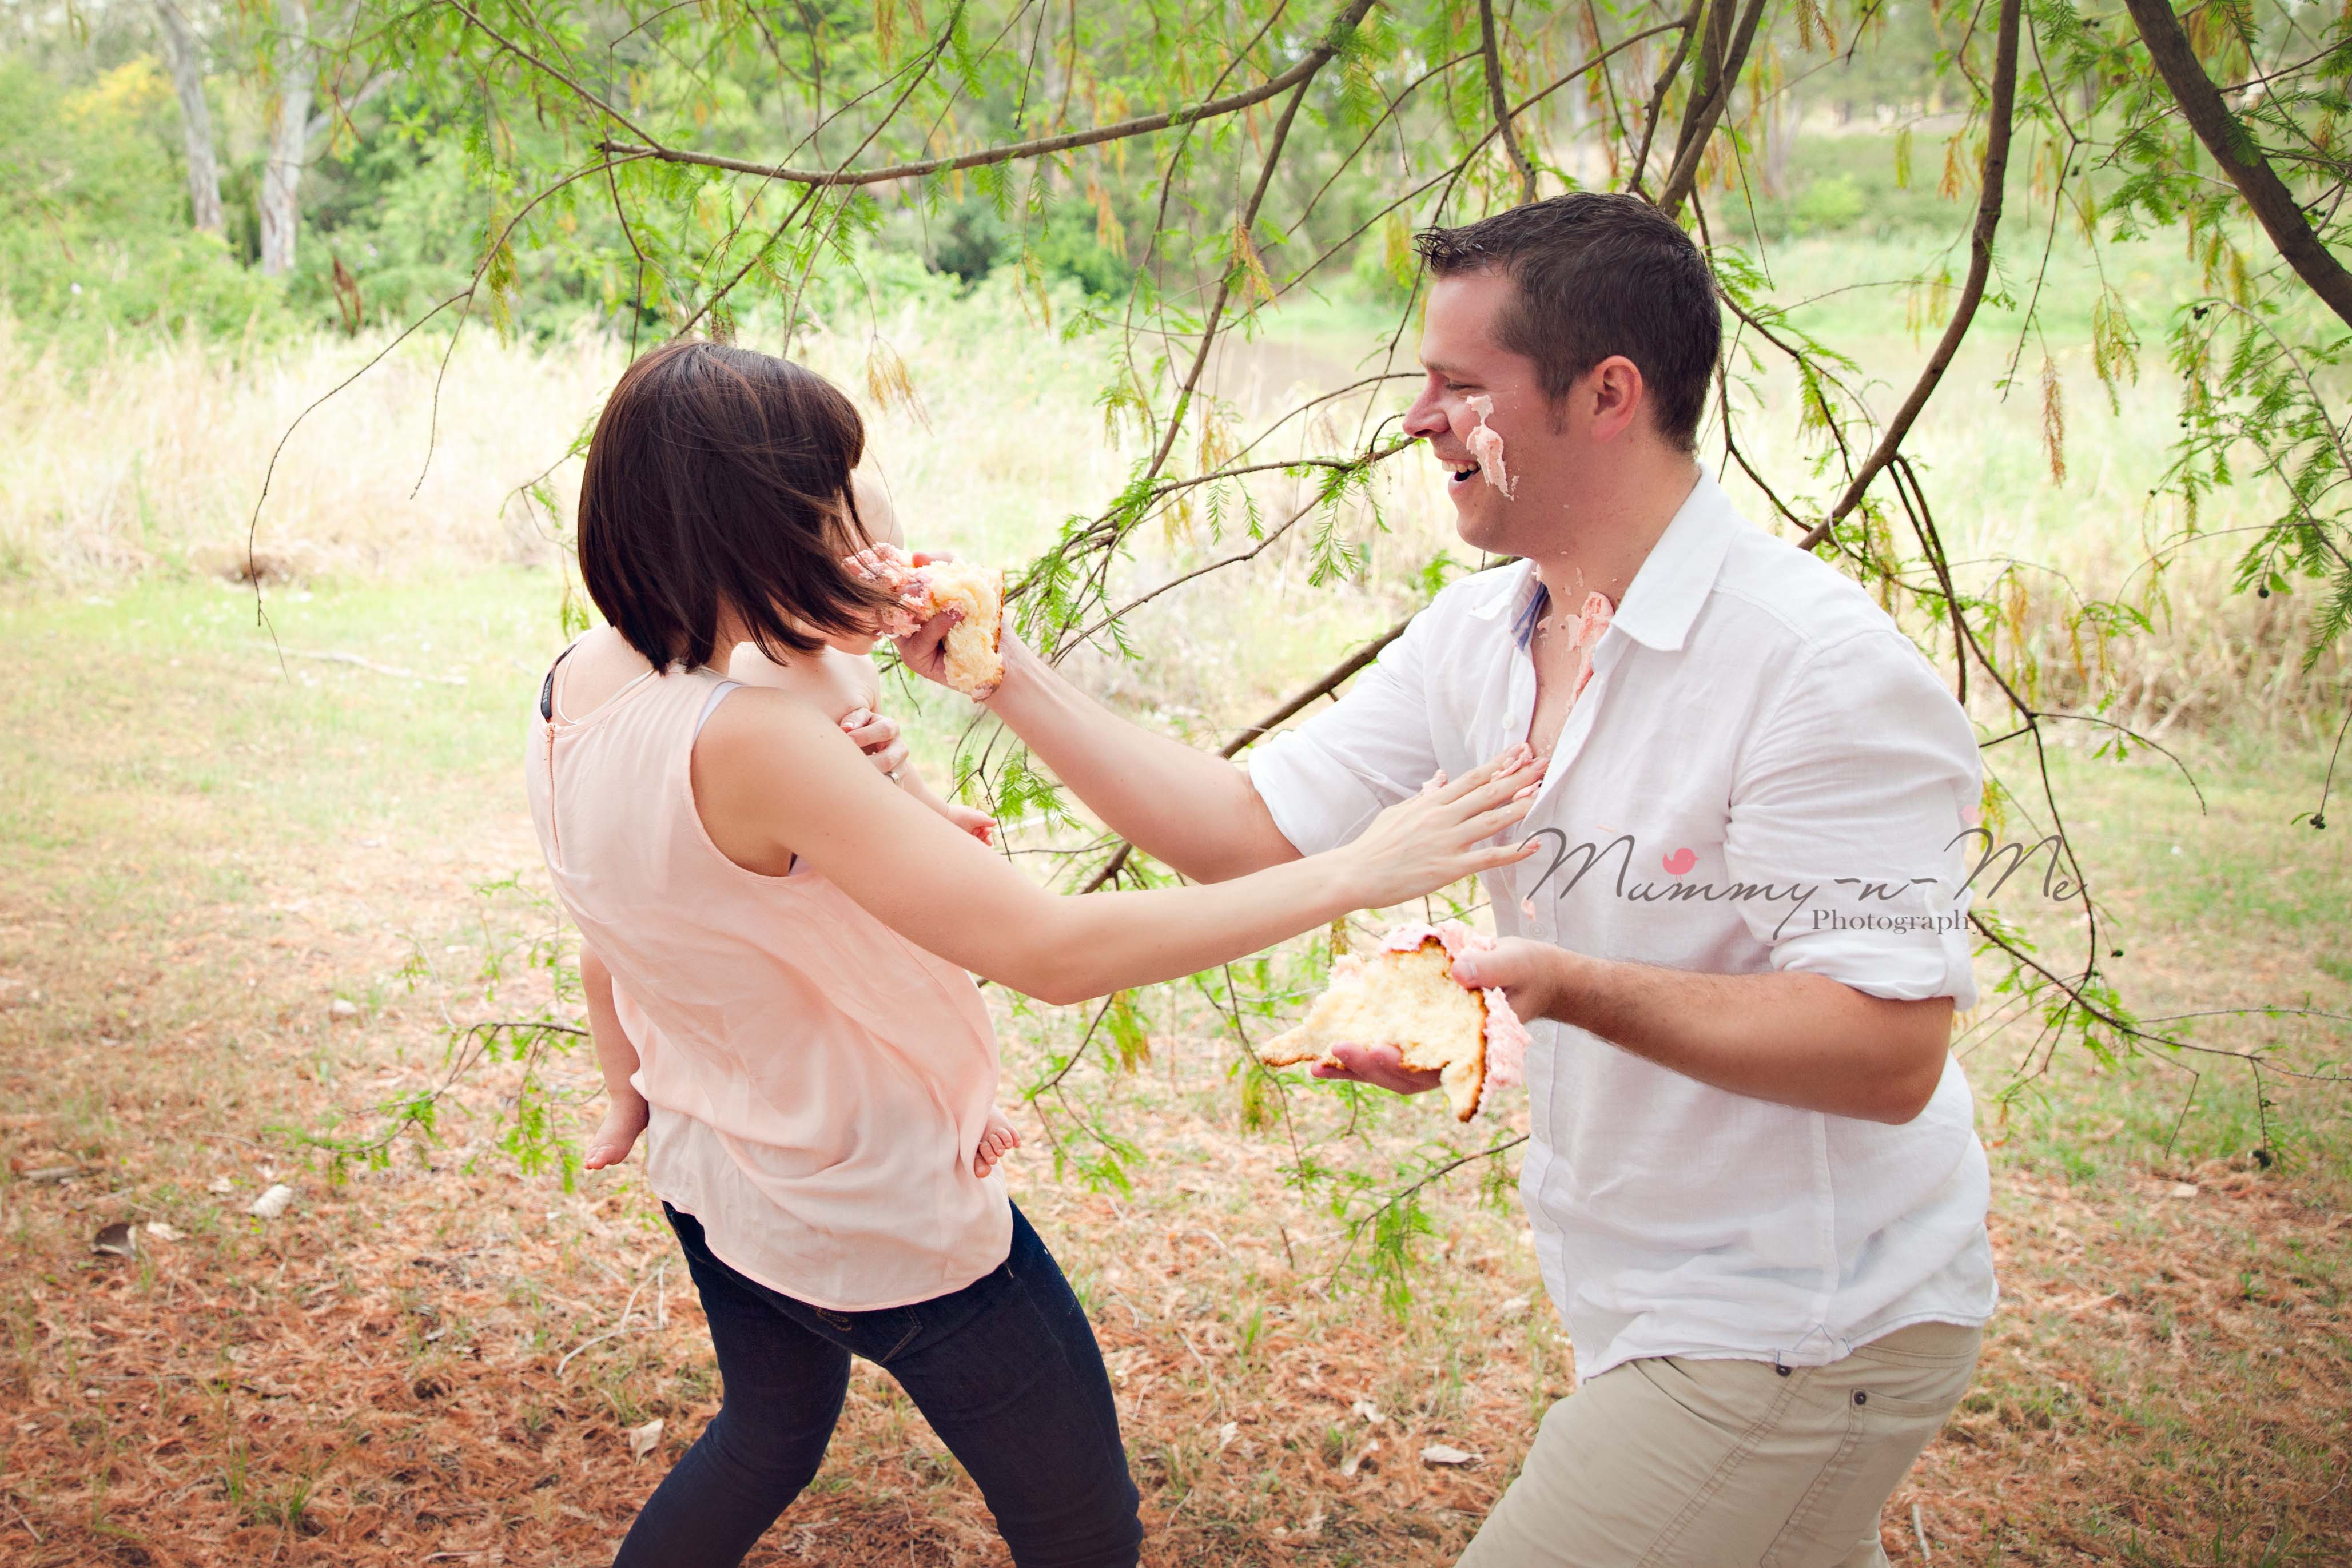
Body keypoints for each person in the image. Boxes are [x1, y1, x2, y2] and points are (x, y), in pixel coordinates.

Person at [897, 193, 1996, 1567]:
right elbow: (1242, 828)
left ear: (1605, 394)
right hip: (1641, 1302)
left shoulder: (1812, 671)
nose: (1416, 419)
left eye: (1458, 386)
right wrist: (1004, 677)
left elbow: (1887, 1048)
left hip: (1799, 1326)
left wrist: (1562, 988)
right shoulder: (1481, 630)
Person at [526, 337, 1545, 1568]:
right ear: (771, 520)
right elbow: (1051, 950)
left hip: (716, 1169)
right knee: (1082, 1532)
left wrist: (624, 1092)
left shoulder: (586, 683)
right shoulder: (753, 741)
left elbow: (626, 915)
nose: (869, 519)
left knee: (766, 1435)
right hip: (870, 1198)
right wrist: (1354, 871)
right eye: (842, 488)